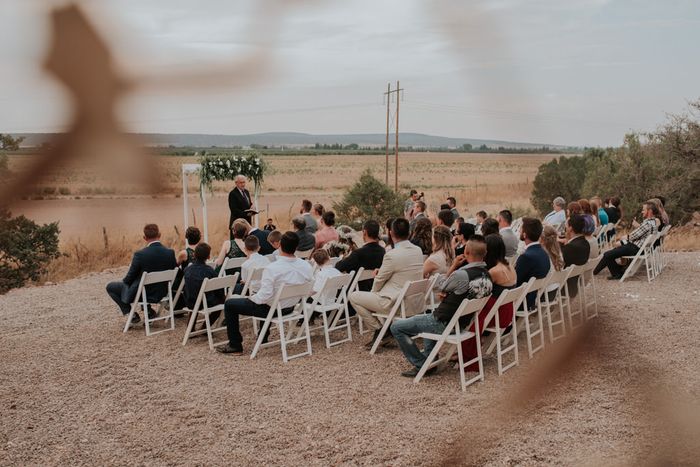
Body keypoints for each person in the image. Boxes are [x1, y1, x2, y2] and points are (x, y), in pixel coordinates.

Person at [390, 236, 492, 377]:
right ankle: (429, 358)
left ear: (466, 252)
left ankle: (422, 363)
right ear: (484, 254)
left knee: (396, 327)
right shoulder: (487, 276)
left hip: (443, 322)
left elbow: (440, 286)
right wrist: (449, 295)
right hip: (461, 323)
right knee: (428, 317)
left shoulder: (462, 274)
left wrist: (454, 266)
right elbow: (463, 293)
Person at [217, 231, 313, 355]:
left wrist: (251, 298)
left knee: (230, 304)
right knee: (269, 298)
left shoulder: (272, 268)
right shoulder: (306, 266)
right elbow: (310, 286)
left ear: (280, 246)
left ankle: (235, 346)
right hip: (290, 307)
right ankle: (263, 338)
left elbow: (263, 297)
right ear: (296, 247)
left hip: (272, 309)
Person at [349, 218, 423, 349]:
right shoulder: (417, 250)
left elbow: (379, 280)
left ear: (390, 233)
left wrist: (373, 294)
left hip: (396, 303)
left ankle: (380, 330)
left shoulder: (392, 255)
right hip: (415, 302)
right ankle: (385, 330)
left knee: (353, 296)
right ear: (409, 232)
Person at [458, 234, 516, 366]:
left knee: (466, 311)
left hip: (496, 314)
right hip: (506, 311)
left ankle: (465, 354)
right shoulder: (510, 266)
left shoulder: (494, 271)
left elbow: (477, 293)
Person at [106, 224, 177, 325]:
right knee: (142, 282)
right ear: (159, 235)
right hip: (163, 292)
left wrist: (131, 277)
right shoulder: (170, 252)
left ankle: (132, 315)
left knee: (111, 286)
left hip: (145, 294)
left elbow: (128, 279)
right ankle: (148, 311)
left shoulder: (140, 255)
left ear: (144, 238)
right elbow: (174, 271)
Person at [593, 201, 659, 280]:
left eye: (643, 210)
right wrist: (624, 240)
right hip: (639, 248)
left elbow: (632, 236)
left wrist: (622, 240)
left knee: (607, 254)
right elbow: (636, 236)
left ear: (650, 211)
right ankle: (615, 271)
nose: (642, 212)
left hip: (635, 248)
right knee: (613, 251)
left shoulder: (647, 224)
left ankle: (611, 273)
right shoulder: (653, 222)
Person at [336, 220, 385, 292]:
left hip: (356, 292)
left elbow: (339, 267)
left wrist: (346, 256)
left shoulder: (358, 253)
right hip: (374, 290)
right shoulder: (382, 251)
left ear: (364, 232)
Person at [514, 218, 551, 309]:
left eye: (521, 228)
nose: (519, 230)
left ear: (525, 234)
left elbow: (515, 282)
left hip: (522, 302)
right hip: (533, 298)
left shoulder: (526, 257)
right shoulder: (544, 253)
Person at [183, 243, 223, 321]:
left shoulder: (187, 269)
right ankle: (204, 328)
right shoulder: (210, 271)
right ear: (208, 257)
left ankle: (191, 327)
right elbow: (218, 290)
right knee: (222, 301)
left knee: (196, 293)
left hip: (189, 302)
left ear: (194, 255)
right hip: (206, 303)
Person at [560, 214, 590, 297]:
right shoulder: (585, 243)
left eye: (566, 226)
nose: (565, 229)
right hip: (575, 284)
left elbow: (558, 264)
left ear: (570, 228)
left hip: (564, 288)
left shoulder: (571, 247)